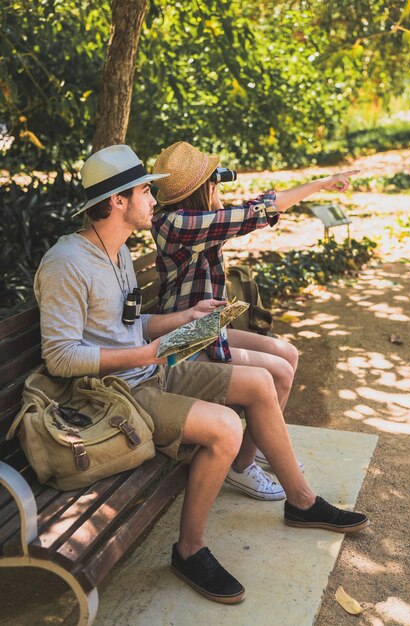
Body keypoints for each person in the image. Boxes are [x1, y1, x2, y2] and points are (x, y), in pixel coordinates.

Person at [34, 144, 369, 606]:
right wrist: (147, 354)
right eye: (146, 191)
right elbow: (61, 358)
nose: (155, 198)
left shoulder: (118, 254)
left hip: (148, 368)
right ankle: (189, 550)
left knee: (260, 382)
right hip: (114, 393)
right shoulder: (66, 263)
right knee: (227, 426)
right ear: (117, 202)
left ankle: (302, 502)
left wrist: (186, 316)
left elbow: (132, 326)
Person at [151, 141, 359, 500]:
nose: (217, 186)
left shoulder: (191, 219)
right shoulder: (177, 224)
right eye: (211, 182)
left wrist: (323, 182)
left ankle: (261, 438)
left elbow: (251, 209)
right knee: (275, 374)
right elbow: (254, 215)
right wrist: (323, 184)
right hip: (183, 342)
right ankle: (241, 466)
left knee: (287, 354)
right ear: (201, 189)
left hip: (205, 330)